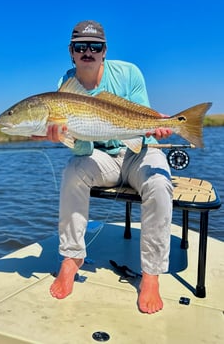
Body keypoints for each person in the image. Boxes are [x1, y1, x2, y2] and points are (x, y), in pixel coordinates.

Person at [34, 20, 173, 314]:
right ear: (71, 52)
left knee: (160, 182)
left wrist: (156, 125)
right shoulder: (66, 84)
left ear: (104, 51)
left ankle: (151, 275)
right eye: (80, 46)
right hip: (102, 158)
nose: (88, 52)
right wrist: (67, 138)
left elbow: (140, 120)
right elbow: (83, 148)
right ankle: (71, 258)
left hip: (136, 151)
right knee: (73, 170)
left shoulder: (129, 73)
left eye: (94, 46)